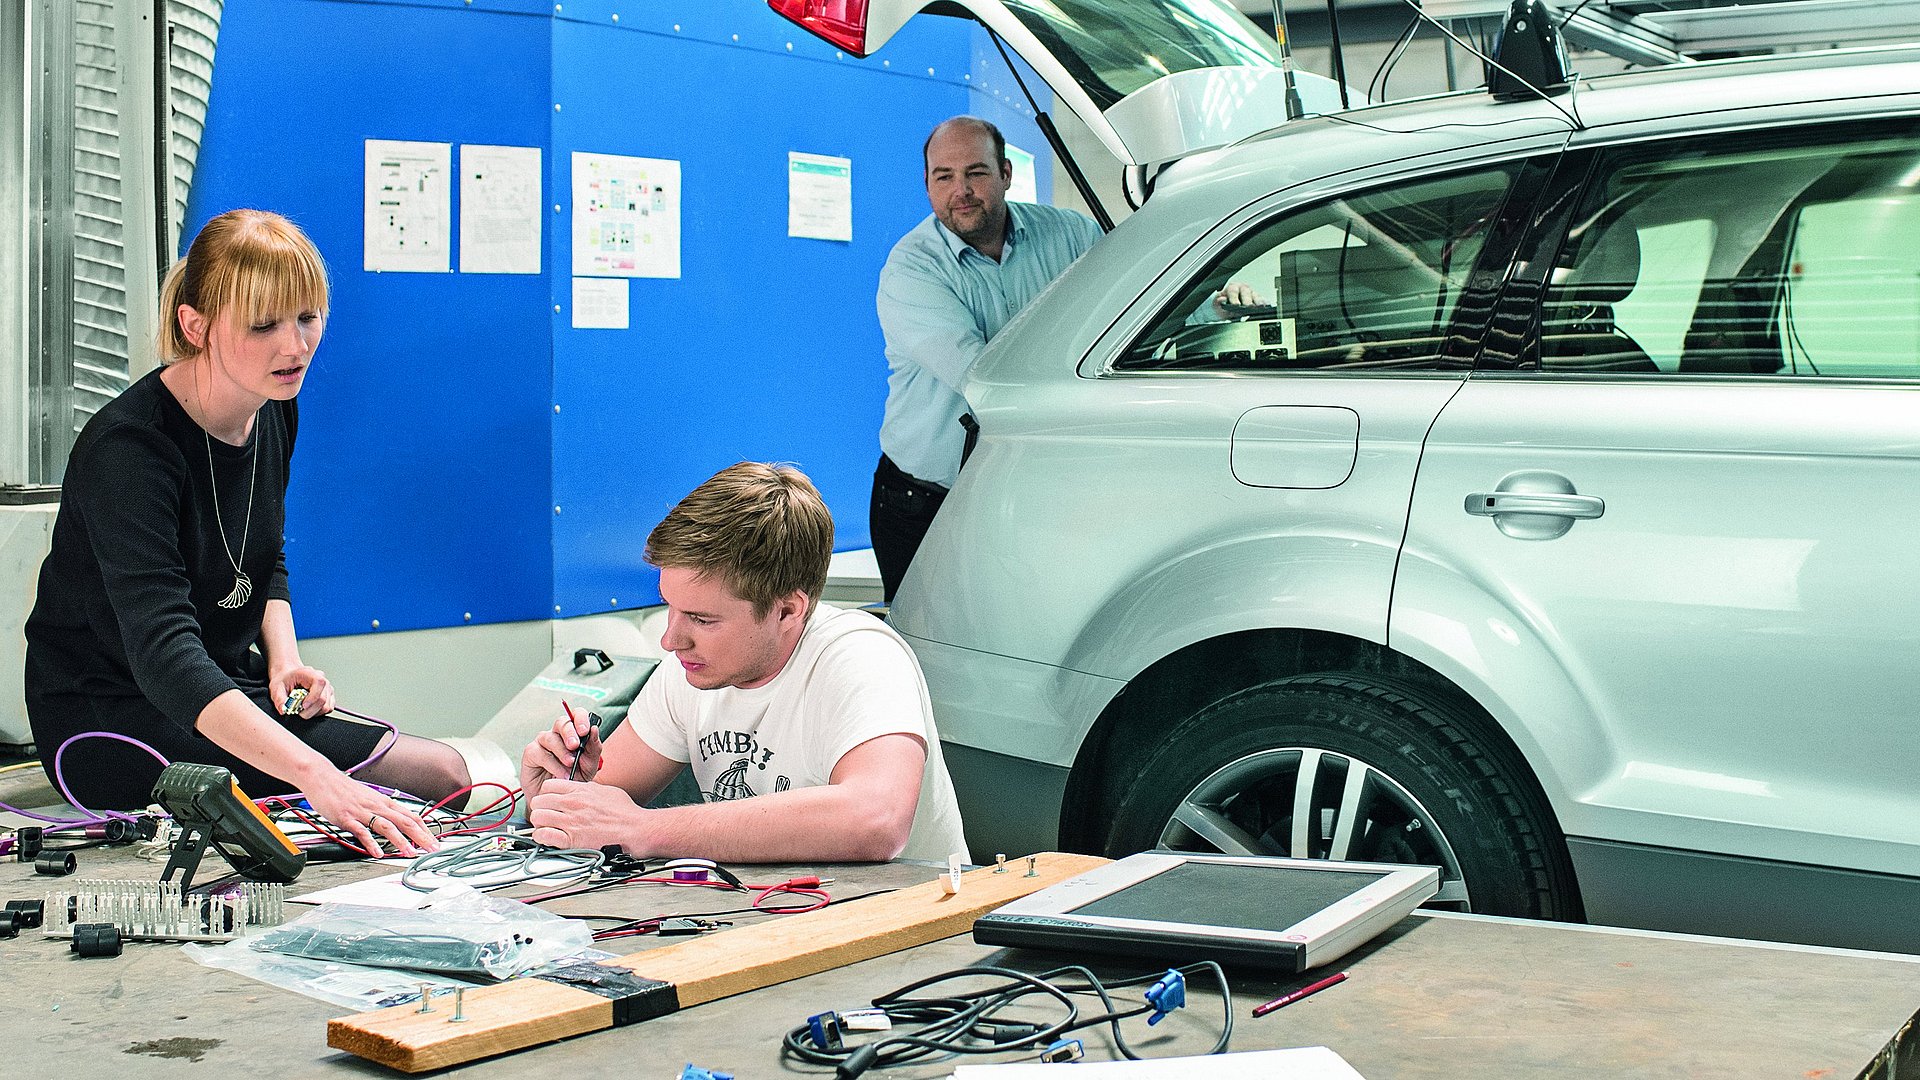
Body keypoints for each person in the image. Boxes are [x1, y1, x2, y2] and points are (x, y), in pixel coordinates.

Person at [24, 209, 467, 856]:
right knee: (433, 774)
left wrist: (285, 662)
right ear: (194, 326)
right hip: (111, 714)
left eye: (308, 318)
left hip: (220, 684)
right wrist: (314, 774)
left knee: (444, 777)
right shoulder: (128, 451)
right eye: (264, 326)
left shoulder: (272, 407)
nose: (295, 347)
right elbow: (167, 657)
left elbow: (264, 556)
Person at [520, 462, 968, 863]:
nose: (671, 639)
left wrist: (643, 829)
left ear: (787, 611)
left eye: (702, 618)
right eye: (669, 607)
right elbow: (601, 800)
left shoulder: (860, 655)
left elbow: (877, 820)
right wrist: (559, 794)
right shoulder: (690, 668)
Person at [869, 116, 1104, 602]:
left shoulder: (1074, 236)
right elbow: (981, 378)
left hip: (1033, 496)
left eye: (976, 173)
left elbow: (1138, 303)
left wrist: (1219, 303)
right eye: (944, 176)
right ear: (927, 184)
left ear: (1006, 173)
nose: (962, 190)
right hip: (926, 502)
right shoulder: (910, 268)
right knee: (930, 659)